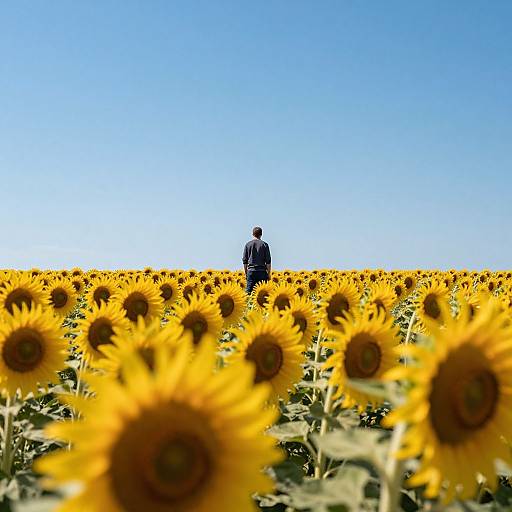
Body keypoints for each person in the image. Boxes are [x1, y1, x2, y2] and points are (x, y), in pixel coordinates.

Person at [242, 227, 271, 294]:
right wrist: (268, 274)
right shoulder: (265, 245)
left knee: (248, 293)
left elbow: (245, 261)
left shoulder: (248, 245)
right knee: (263, 294)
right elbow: (268, 261)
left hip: (251, 272)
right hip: (262, 272)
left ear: (253, 234)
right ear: (261, 234)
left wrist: (246, 273)